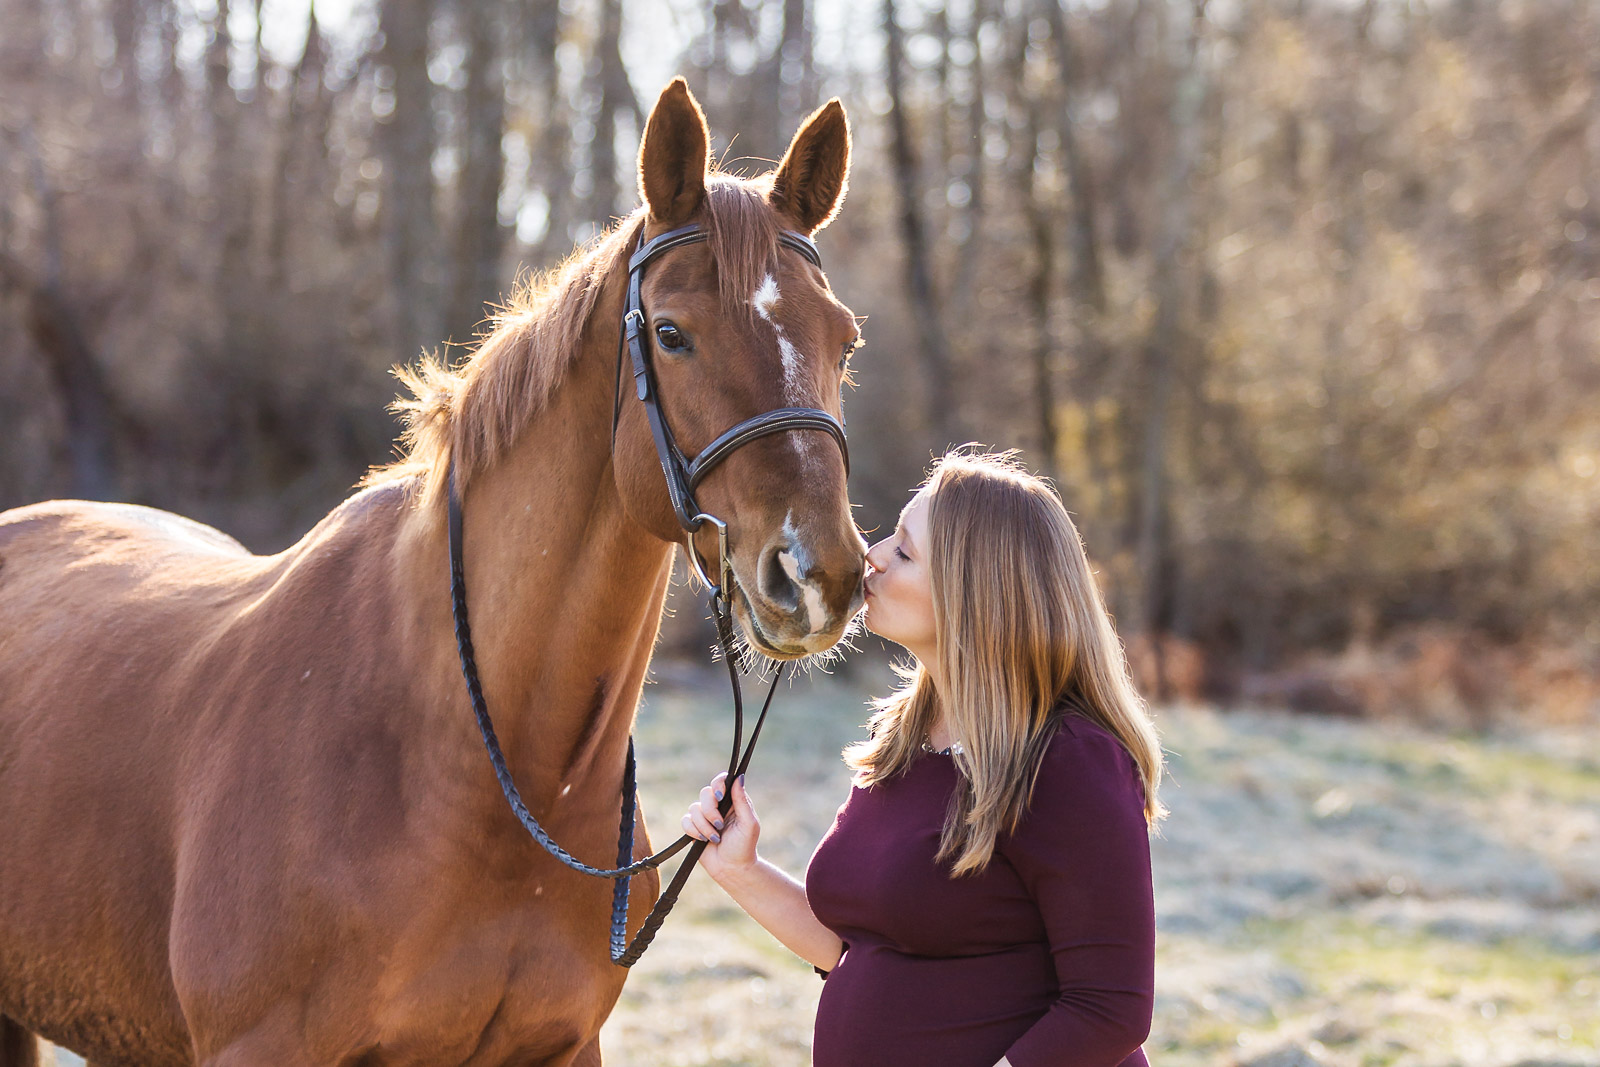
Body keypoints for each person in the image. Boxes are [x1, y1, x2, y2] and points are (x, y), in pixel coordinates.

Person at [681, 450, 1165, 1067]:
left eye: (904, 551)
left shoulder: (1069, 760)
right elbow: (859, 951)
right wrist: (740, 870)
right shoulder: (908, 741)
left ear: (978, 591)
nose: (871, 557)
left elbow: (1111, 1007)